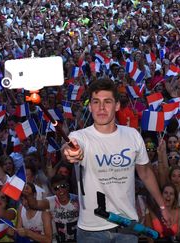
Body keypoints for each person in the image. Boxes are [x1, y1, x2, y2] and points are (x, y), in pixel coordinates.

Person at [62, 78, 171, 243]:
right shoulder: (80, 136)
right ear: (90, 106)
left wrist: (162, 206)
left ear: (117, 105)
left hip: (127, 229)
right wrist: (69, 152)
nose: (101, 108)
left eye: (107, 102)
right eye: (96, 102)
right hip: (91, 231)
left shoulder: (133, 135)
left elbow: (146, 173)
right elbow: (69, 147)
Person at [24, 174, 79, 242]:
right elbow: (34, 205)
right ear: (53, 191)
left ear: (68, 186)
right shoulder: (51, 201)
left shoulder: (78, 200)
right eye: (56, 188)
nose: (60, 191)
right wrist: (29, 195)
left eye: (63, 186)